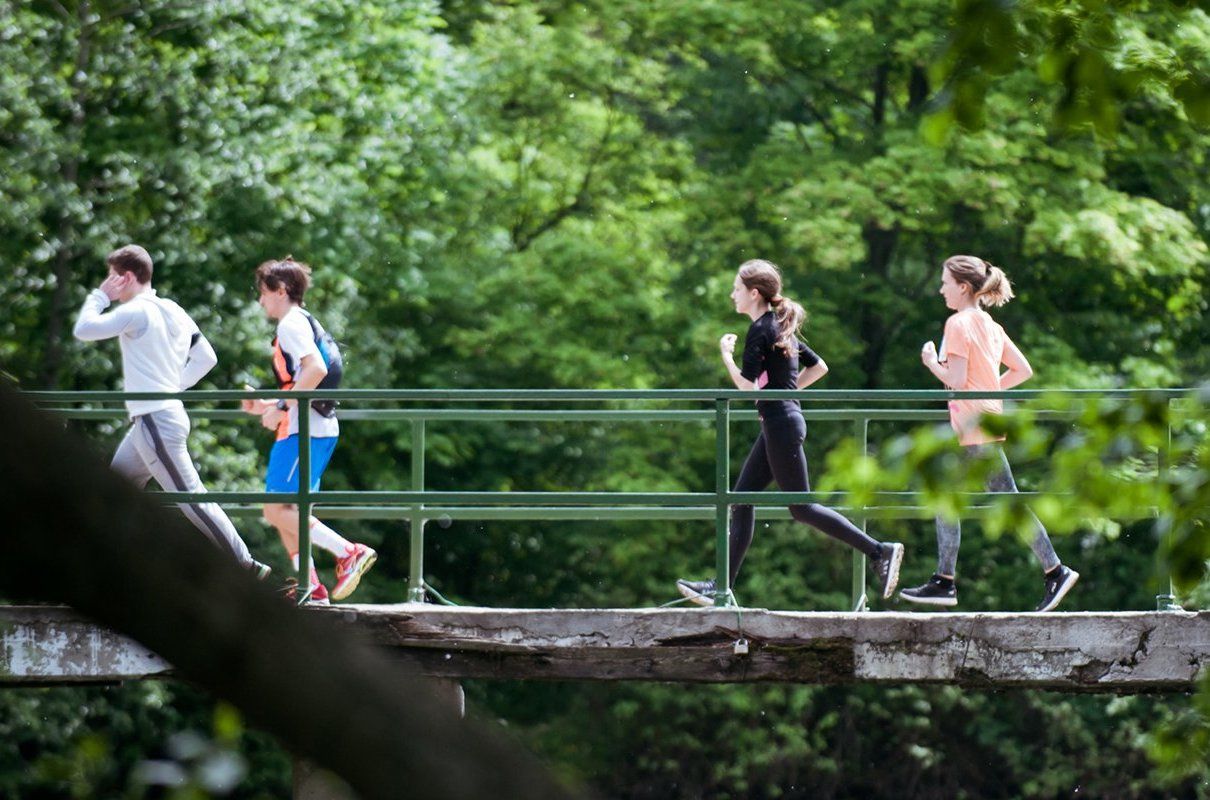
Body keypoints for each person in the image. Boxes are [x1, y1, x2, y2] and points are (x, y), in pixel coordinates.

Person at [676, 259, 904, 606]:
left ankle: (879, 551)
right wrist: (783, 396)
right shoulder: (777, 326)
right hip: (779, 422)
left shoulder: (761, 329)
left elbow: (748, 388)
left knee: (802, 507)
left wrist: (726, 356)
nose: (731, 294)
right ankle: (720, 586)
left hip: (781, 424)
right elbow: (820, 367)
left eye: (736, 288)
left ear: (754, 293)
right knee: (740, 500)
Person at [73, 244, 269, 578]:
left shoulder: (137, 310)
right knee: (114, 492)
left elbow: (84, 330)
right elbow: (206, 356)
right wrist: (174, 386)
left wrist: (99, 296)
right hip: (155, 421)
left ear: (127, 277)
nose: (109, 283)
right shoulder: (173, 309)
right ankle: (107, 571)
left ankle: (246, 566)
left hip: (155, 421)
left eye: (112, 277)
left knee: (191, 497)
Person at [901, 254, 1079, 612]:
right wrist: (988, 391)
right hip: (982, 423)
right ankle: (945, 580)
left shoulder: (957, 323)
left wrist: (930, 361)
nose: (941, 289)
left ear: (963, 287)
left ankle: (1053, 570)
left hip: (972, 428)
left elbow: (954, 381)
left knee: (999, 501)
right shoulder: (990, 324)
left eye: (944, 283)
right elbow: (1023, 369)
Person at [240, 257, 376, 605]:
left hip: (305, 428)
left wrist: (282, 407)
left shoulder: (290, 325)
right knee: (288, 511)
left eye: (264, 293)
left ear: (281, 291)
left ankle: (349, 552)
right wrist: (270, 405)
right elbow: (303, 382)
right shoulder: (303, 321)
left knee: (275, 510)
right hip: (308, 426)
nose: (261, 301)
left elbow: (313, 370)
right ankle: (310, 587)